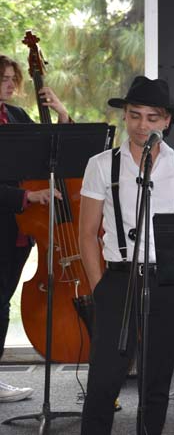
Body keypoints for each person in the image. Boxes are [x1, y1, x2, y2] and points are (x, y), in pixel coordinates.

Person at [78, 76, 174, 434]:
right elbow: (87, 233)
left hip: (169, 281)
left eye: (151, 117)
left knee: (157, 381)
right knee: (104, 379)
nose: (141, 125)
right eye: (134, 116)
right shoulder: (102, 165)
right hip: (119, 279)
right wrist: (99, 285)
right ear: (125, 117)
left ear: (166, 122)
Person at [0, 54, 69, 402]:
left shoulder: (15, 116)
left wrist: (60, 113)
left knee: (2, 300)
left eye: (14, 78)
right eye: (4, 78)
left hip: (19, 227)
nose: (12, 84)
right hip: (11, 215)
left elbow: (51, 150)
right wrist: (28, 195)